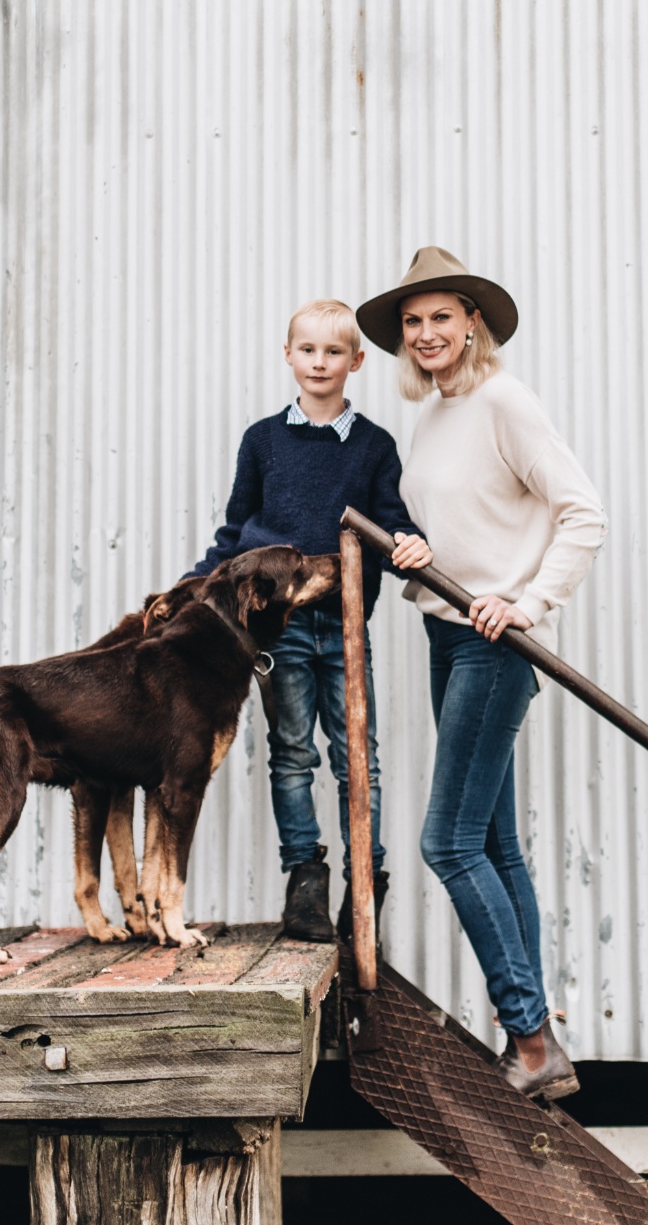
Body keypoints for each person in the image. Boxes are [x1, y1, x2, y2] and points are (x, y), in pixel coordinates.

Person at [356, 247, 606, 1101]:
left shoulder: (503, 400)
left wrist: (530, 604)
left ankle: (531, 1040)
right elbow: (452, 524)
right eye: (412, 322)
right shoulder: (434, 413)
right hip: (444, 633)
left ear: (472, 324)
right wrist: (414, 548)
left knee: (447, 843)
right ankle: (532, 1031)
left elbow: (583, 513)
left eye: (440, 318)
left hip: (493, 644)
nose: (426, 333)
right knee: (493, 844)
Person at [192, 299, 431, 942]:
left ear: (355, 362)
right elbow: (238, 530)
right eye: (307, 350)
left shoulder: (375, 446)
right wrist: (197, 583)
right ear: (289, 355)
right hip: (280, 629)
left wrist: (411, 545)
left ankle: (366, 878)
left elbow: (391, 523)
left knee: (359, 760)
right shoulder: (263, 441)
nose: (319, 362)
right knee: (291, 754)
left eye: (333, 352)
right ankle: (305, 879)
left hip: (347, 624)